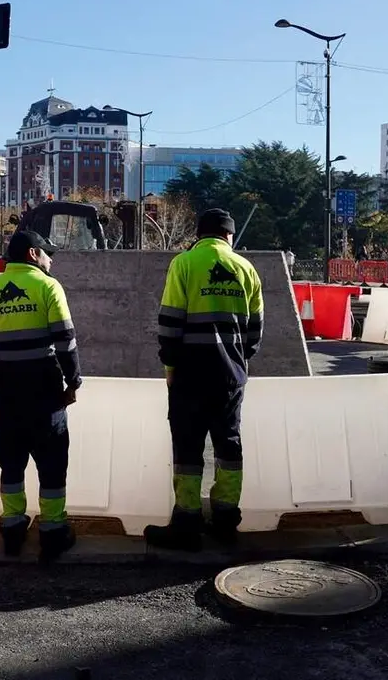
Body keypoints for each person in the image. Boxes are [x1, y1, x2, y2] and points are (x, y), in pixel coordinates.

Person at [145, 208, 264, 551]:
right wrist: (240, 362)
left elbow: (169, 321)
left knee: (188, 446)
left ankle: (186, 522)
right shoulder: (246, 268)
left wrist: (170, 366)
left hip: (189, 374)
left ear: (200, 234)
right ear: (229, 236)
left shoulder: (184, 263)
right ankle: (225, 519)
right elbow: (255, 331)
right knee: (229, 445)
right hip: (230, 376)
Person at [0, 230, 82, 561]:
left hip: (8, 394)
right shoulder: (48, 287)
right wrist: (73, 382)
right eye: (48, 254)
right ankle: (53, 531)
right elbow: (66, 341)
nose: (51, 260)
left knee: (12, 463)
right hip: (45, 393)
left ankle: (13, 528)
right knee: (52, 463)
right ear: (33, 254)